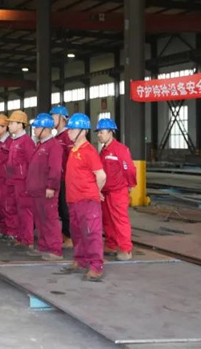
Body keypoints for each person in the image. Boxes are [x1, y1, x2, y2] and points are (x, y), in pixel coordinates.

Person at [58, 113, 107, 282]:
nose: (69, 132)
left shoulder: (89, 151)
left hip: (87, 200)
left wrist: (95, 191)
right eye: (69, 129)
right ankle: (80, 260)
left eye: (72, 129)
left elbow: (101, 175)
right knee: (77, 232)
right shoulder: (74, 149)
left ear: (83, 131)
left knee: (91, 233)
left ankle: (96, 266)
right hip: (74, 199)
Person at [96, 118, 137, 261]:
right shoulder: (103, 151)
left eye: (101, 132)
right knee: (107, 220)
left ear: (110, 132)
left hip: (118, 191)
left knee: (120, 220)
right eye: (98, 132)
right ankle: (111, 244)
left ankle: (125, 249)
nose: (99, 135)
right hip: (105, 192)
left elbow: (129, 169)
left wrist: (130, 184)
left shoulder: (120, 149)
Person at [25, 113, 64, 260]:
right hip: (37, 190)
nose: (34, 130)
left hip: (46, 190)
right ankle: (44, 246)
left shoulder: (54, 146)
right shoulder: (40, 145)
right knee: (40, 220)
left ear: (46, 129)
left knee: (50, 219)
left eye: (37, 127)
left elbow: (55, 168)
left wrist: (51, 187)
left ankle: (55, 249)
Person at [5, 110, 35, 250]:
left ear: (20, 124)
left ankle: (28, 240)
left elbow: (32, 164)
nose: (9, 125)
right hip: (14, 182)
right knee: (16, 210)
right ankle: (20, 237)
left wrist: (29, 184)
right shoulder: (14, 141)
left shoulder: (26, 142)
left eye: (12, 123)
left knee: (25, 211)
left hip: (23, 183)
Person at [50, 105, 73, 248]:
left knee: (66, 209)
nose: (51, 119)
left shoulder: (68, 136)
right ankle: (64, 235)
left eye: (54, 116)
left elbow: (72, 159)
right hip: (58, 178)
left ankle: (70, 237)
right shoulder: (57, 137)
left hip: (66, 179)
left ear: (62, 118)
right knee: (60, 208)